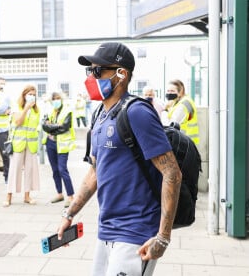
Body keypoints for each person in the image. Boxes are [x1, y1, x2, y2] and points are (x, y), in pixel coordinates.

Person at [57, 42, 182, 276]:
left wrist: (163, 238)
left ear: (121, 74)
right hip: (106, 230)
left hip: (136, 232)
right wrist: (69, 214)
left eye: (97, 71)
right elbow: (94, 171)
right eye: (89, 71)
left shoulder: (137, 112)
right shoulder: (99, 115)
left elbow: (172, 172)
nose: (91, 78)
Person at [3, 84, 40, 207]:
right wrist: (25, 109)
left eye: (34, 95)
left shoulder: (36, 110)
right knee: (14, 170)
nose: (32, 97)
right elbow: (18, 121)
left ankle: (27, 196)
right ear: (24, 95)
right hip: (18, 143)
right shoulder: (16, 107)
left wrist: (31, 108)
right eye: (30, 94)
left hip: (31, 144)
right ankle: (9, 196)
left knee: (29, 170)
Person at [42, 92, 76, 208]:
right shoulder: (49, 110)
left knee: (62, 169)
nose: (56, 101)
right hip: (50, 143)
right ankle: (59, 193)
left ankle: (71, 196)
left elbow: (65, 127)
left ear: (61, 99)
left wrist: (51, 127)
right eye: (54, 99)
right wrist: (56, 126)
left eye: (58, 99)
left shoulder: (67, 111)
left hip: (62, 144)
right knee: (55, 170)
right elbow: (44, 126)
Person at [163, 79, 199, 145]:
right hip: (184, 141)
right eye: (168, 91)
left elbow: (171, 125)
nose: (169, 93)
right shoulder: (176, 102)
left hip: (185, 143)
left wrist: (165, 110)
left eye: (172, 91)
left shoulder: (184, 104)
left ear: (180, 92)